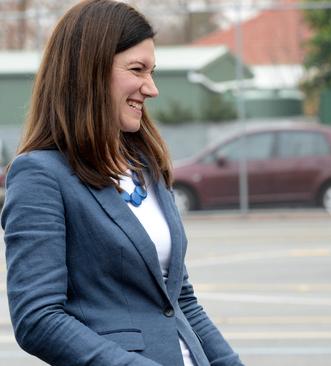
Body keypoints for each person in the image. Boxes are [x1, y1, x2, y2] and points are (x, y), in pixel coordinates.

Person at [1, 1, 243, 365]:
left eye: (152, 71)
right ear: (89, 72)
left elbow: (180, 300)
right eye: (137, 70)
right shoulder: (39, 175)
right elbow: (38, 319)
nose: (152, 88)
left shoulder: (147, 165)